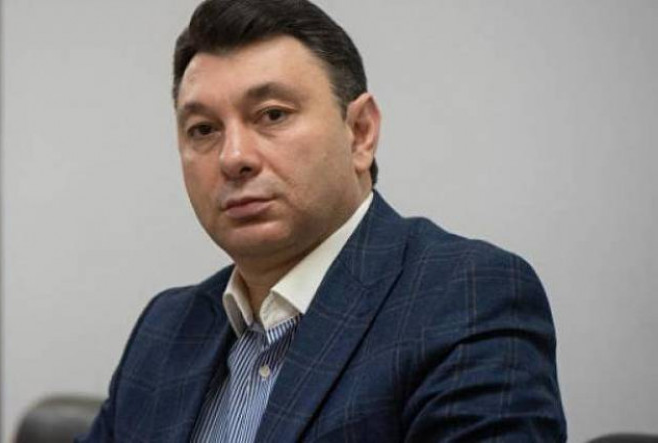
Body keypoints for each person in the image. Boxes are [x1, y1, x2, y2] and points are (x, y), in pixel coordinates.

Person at [78, 0, 566, 441]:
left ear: (360, 133)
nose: (234, 157)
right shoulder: (165, 328)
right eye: (203, 129)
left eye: (272, 115)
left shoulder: (466, 298)